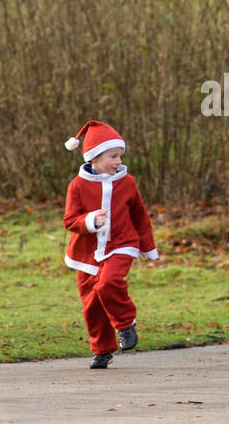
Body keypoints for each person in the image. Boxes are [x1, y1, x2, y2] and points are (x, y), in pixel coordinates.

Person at [62, 120, 159, 369]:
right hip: (86, 254)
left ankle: (126, 324)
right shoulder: (77, 185)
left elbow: (140, 215)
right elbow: (70, 220)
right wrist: (91, 220)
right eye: (112, 156)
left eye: (120, 156)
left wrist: (148, 247)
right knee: (91, 303)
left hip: (122, 243)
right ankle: (102, 350)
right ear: (94, 158)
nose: (118, 161)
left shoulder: (128, 182)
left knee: (108, 284)